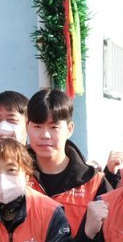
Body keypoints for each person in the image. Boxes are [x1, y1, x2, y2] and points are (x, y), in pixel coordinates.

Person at [25, 88, 110, 234]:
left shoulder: (94, 184)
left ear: (69, 129)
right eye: (37, 126)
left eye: (54, 127)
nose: (45, 135)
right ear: (27, 127)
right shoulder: (14, 176)